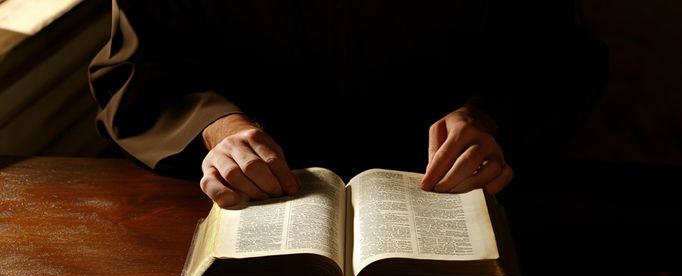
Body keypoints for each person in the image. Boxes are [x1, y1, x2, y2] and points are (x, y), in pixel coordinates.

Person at [89, 0, 605, 207]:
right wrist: (219, 128)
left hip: (450, 190)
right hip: (246, 198)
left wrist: (487, 117)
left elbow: (557, 57)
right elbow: (135, 64)